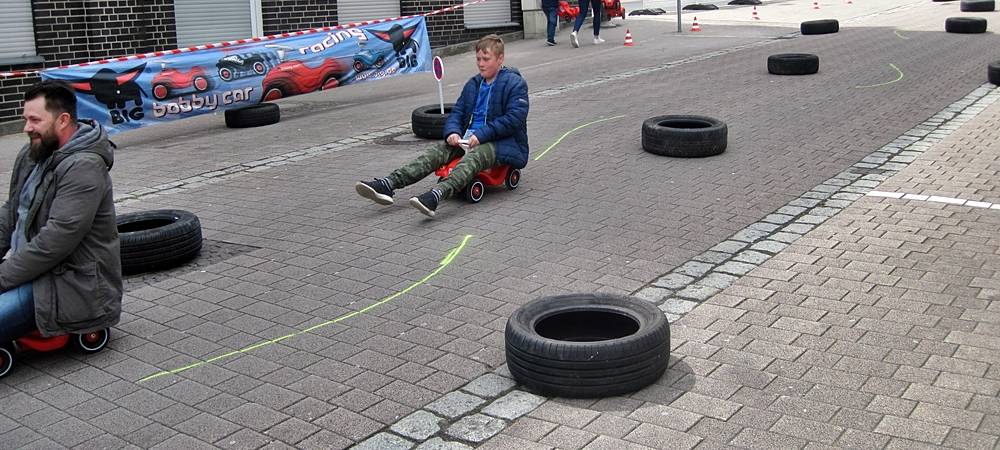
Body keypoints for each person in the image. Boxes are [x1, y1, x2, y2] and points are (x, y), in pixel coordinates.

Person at [0, 81, 122, 343]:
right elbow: (12, 212)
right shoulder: (33, 152)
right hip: (31, 270)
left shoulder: (84, 167)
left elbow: (55, 241)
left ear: (63, 120)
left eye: (35, 120)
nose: (26, 128)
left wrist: (2, 277)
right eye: (25, 119)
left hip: (67, 284)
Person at [356, 34, 529, 218]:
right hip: (469, 138)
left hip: (503, 142)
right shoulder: (473, 84)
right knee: (435, 153)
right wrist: (453, 132)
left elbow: (513, 119)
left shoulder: (515, 84)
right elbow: (458, 112)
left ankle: (435, 196)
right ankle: (389, 184)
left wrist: (482, 135)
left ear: (500, 58)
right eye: (478, 59)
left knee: (475, 157)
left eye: (486, 59)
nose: (480, 64)